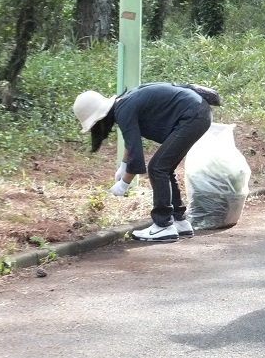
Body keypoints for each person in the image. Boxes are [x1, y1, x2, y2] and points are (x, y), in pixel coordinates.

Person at [72, 83, 213, 242]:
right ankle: (179, 221)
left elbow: (137, 154)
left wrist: (124, 183)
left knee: (157, 168)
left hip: (193, 115)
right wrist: (123, 165)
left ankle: (163, 225)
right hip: (198, 112)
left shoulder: (123, 110)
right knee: (164, 168)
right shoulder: (124, 103)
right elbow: (131, 141)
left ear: (99, 118)